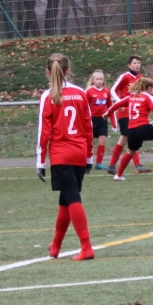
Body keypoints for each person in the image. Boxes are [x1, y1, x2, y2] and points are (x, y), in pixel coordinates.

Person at [36, 53, 96, 261]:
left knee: (72, 197)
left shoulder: (48, 96)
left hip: (61, 154)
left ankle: (86, 247)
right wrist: (89, 156)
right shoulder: (80, 93)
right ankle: (55, 246)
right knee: (65, 200)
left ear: (47, 72)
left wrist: (40, 161)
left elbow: (44, 132)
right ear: (68, 71)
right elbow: (88, 126)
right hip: (79, 151)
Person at [105, 77, 153, 182]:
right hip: (143, 128)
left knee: (131, 152)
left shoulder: (131, 96)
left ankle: (118, 175)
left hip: (131, 131)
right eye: (152, 88)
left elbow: (117, 104)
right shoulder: (147, 97)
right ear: (148, 88)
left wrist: (107, 113)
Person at [106, 56, 151, 175]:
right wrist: (119, 102)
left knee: (125, 138)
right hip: (124, 111)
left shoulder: (140, 78)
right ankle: (137, 165)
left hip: (133, 112)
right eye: (134, 63)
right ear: (129, 65)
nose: (137, 65)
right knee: (130, 137)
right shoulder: (125, 77)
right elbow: (113, 90)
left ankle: (111, 166)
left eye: (138, 63)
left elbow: (143, 93)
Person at [85, 70, 111, 170]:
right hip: (91, 119)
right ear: (93, 80)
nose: (99, 81)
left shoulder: (106, 91)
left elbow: (110, 105)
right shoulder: (89, 91)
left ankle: (98, 163)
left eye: (101, 79)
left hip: (102, 119)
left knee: (102, 139)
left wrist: (111, 118)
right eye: (97, 79)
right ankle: (86, 161)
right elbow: (84, 106)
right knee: (89, 141)